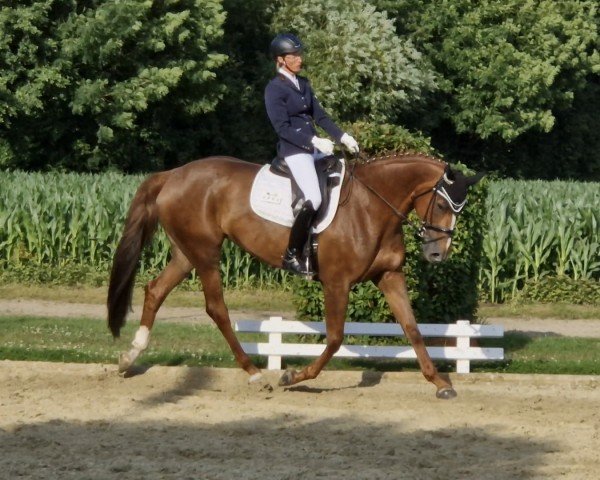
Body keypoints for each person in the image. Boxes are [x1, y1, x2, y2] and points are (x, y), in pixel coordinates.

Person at [265, 33, 359, 276]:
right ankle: (292, 254)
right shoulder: (274, 89)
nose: (299, 59)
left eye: (299, 54)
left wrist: (342, 137)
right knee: (313, 199)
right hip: (294, 151)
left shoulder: (303, 84)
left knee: (344, 175)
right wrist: (312, 140)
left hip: (313, 149)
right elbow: (282, 128)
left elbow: (321, 117)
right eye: (294, 56)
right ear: (281, 60)